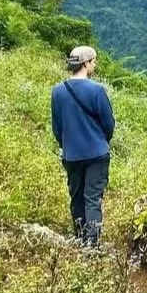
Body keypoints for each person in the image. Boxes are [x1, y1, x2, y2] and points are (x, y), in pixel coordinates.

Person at [50, 45, 115, 247]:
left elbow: (57, 127)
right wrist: (100, 141)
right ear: (86, 64)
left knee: (76, 197)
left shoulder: (57, 92)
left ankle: (79, 239)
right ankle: (91, 244)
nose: (94, 64)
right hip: (96, 154)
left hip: (72, 155)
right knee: (92, 198)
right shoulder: (97, 91)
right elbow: (108, 124)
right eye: (93, 61)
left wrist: (67, 145)